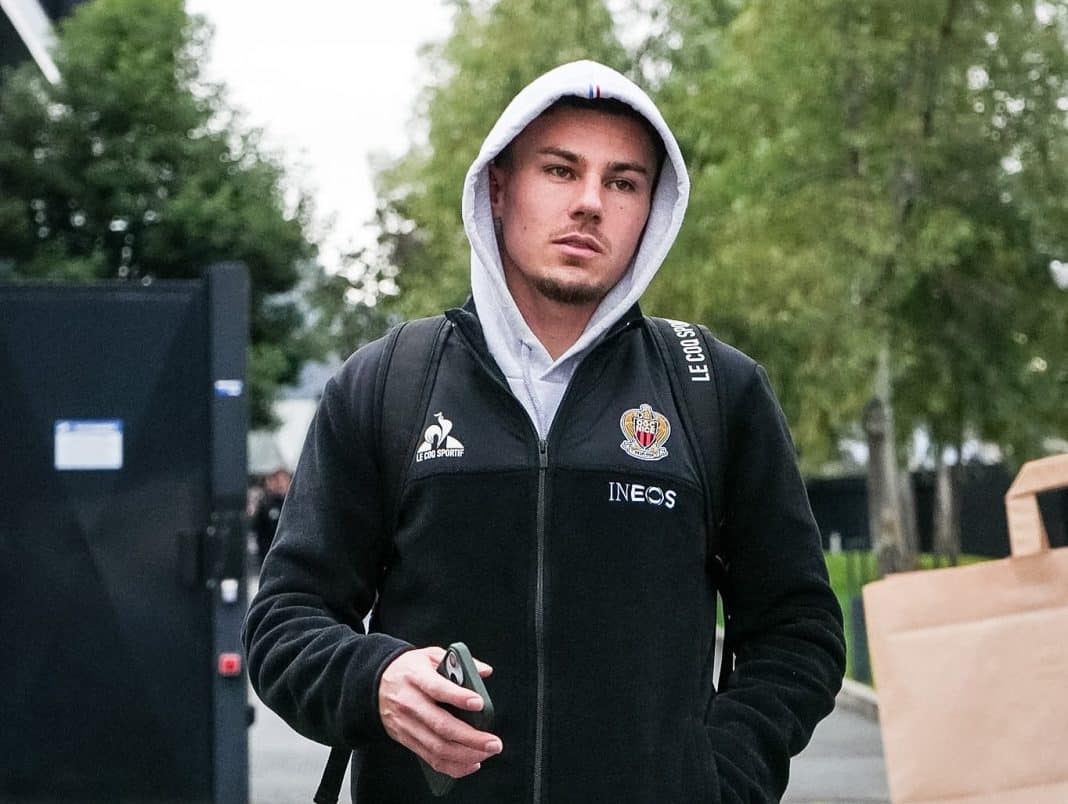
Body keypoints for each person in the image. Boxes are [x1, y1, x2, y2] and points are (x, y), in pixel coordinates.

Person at [243, 60, 845, 803]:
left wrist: (718, 777)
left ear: (652, 208)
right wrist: (376, 681)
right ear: (498, 189)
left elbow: (799, 632)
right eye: (560, 171)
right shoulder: (388, 383)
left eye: (623, 182)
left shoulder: (716, 391)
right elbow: (284, 622)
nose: (590, 203)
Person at [251, 467, 291, 567]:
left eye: (284, 480)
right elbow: (258, 527)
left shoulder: (294, 503)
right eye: (278, 480)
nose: (281, 484)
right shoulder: (266, 503)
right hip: (269, 553)